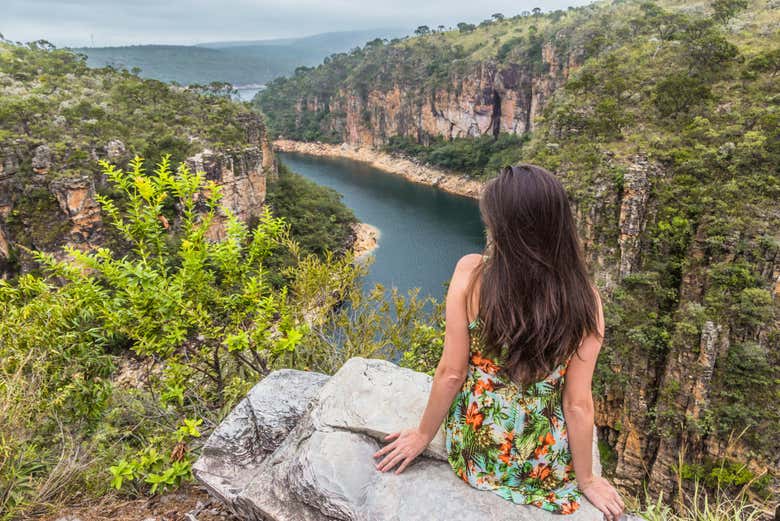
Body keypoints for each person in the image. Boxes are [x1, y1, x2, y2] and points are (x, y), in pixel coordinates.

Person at [373, 164, 626, 520]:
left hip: (478, 446)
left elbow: (451, 372)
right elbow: (577, 404)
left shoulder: (472, 275)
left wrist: (422, 435)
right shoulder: (586, 301)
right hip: (539, 461)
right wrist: (587, 479)